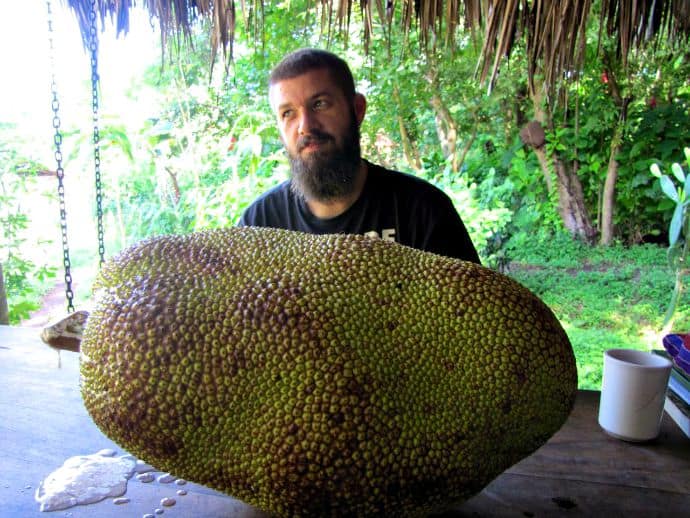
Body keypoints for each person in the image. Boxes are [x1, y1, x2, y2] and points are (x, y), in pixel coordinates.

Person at [239, 48, 480, 264]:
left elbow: (470, 308)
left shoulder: (423, 211)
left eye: (320, 104)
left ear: (357, 109)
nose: (305, 126)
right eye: (288, 113)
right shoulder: (258, 223)